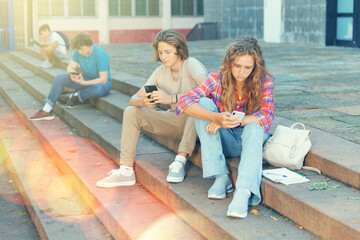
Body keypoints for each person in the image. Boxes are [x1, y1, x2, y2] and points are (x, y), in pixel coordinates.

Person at [175, 36, 274, 218]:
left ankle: (243, 191)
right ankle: (221, 176)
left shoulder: (263, 81)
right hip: (226, 140)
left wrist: (233, 120)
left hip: (250, 142)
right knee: (203, 103)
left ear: (255, 67)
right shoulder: (217, 79)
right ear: (229, 63)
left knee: (254, 126)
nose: (241, 72)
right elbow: (184, 102)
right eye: (237, 66)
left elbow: (267, 116)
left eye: (247, 67)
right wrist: (215, 117)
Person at [96, 29, 208, 187]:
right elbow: (133, 99)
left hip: (199, 122)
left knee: (196, 103)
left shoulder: (192, 64)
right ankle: (126, 171)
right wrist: (143, 102)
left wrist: (171, 98)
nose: (163, 57)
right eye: (160, 52)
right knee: (131, 112)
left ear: (179, 49)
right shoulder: (160, 72)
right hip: (175, 121)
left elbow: (207, 90)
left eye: (168, 52)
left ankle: (180, 161)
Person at [28, 32, 112, 120]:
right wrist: (73, 73)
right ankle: (47, 110)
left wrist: (84, 82)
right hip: (85, 80)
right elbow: (70, 67)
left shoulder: (100, 54)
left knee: (98, 89)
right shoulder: (78, 52)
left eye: (82, 49)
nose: (80, 52)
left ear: (89, 45)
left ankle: (75, 96)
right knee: (60, 77)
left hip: (101, 84)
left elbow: (103, 79)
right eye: (78, 49)